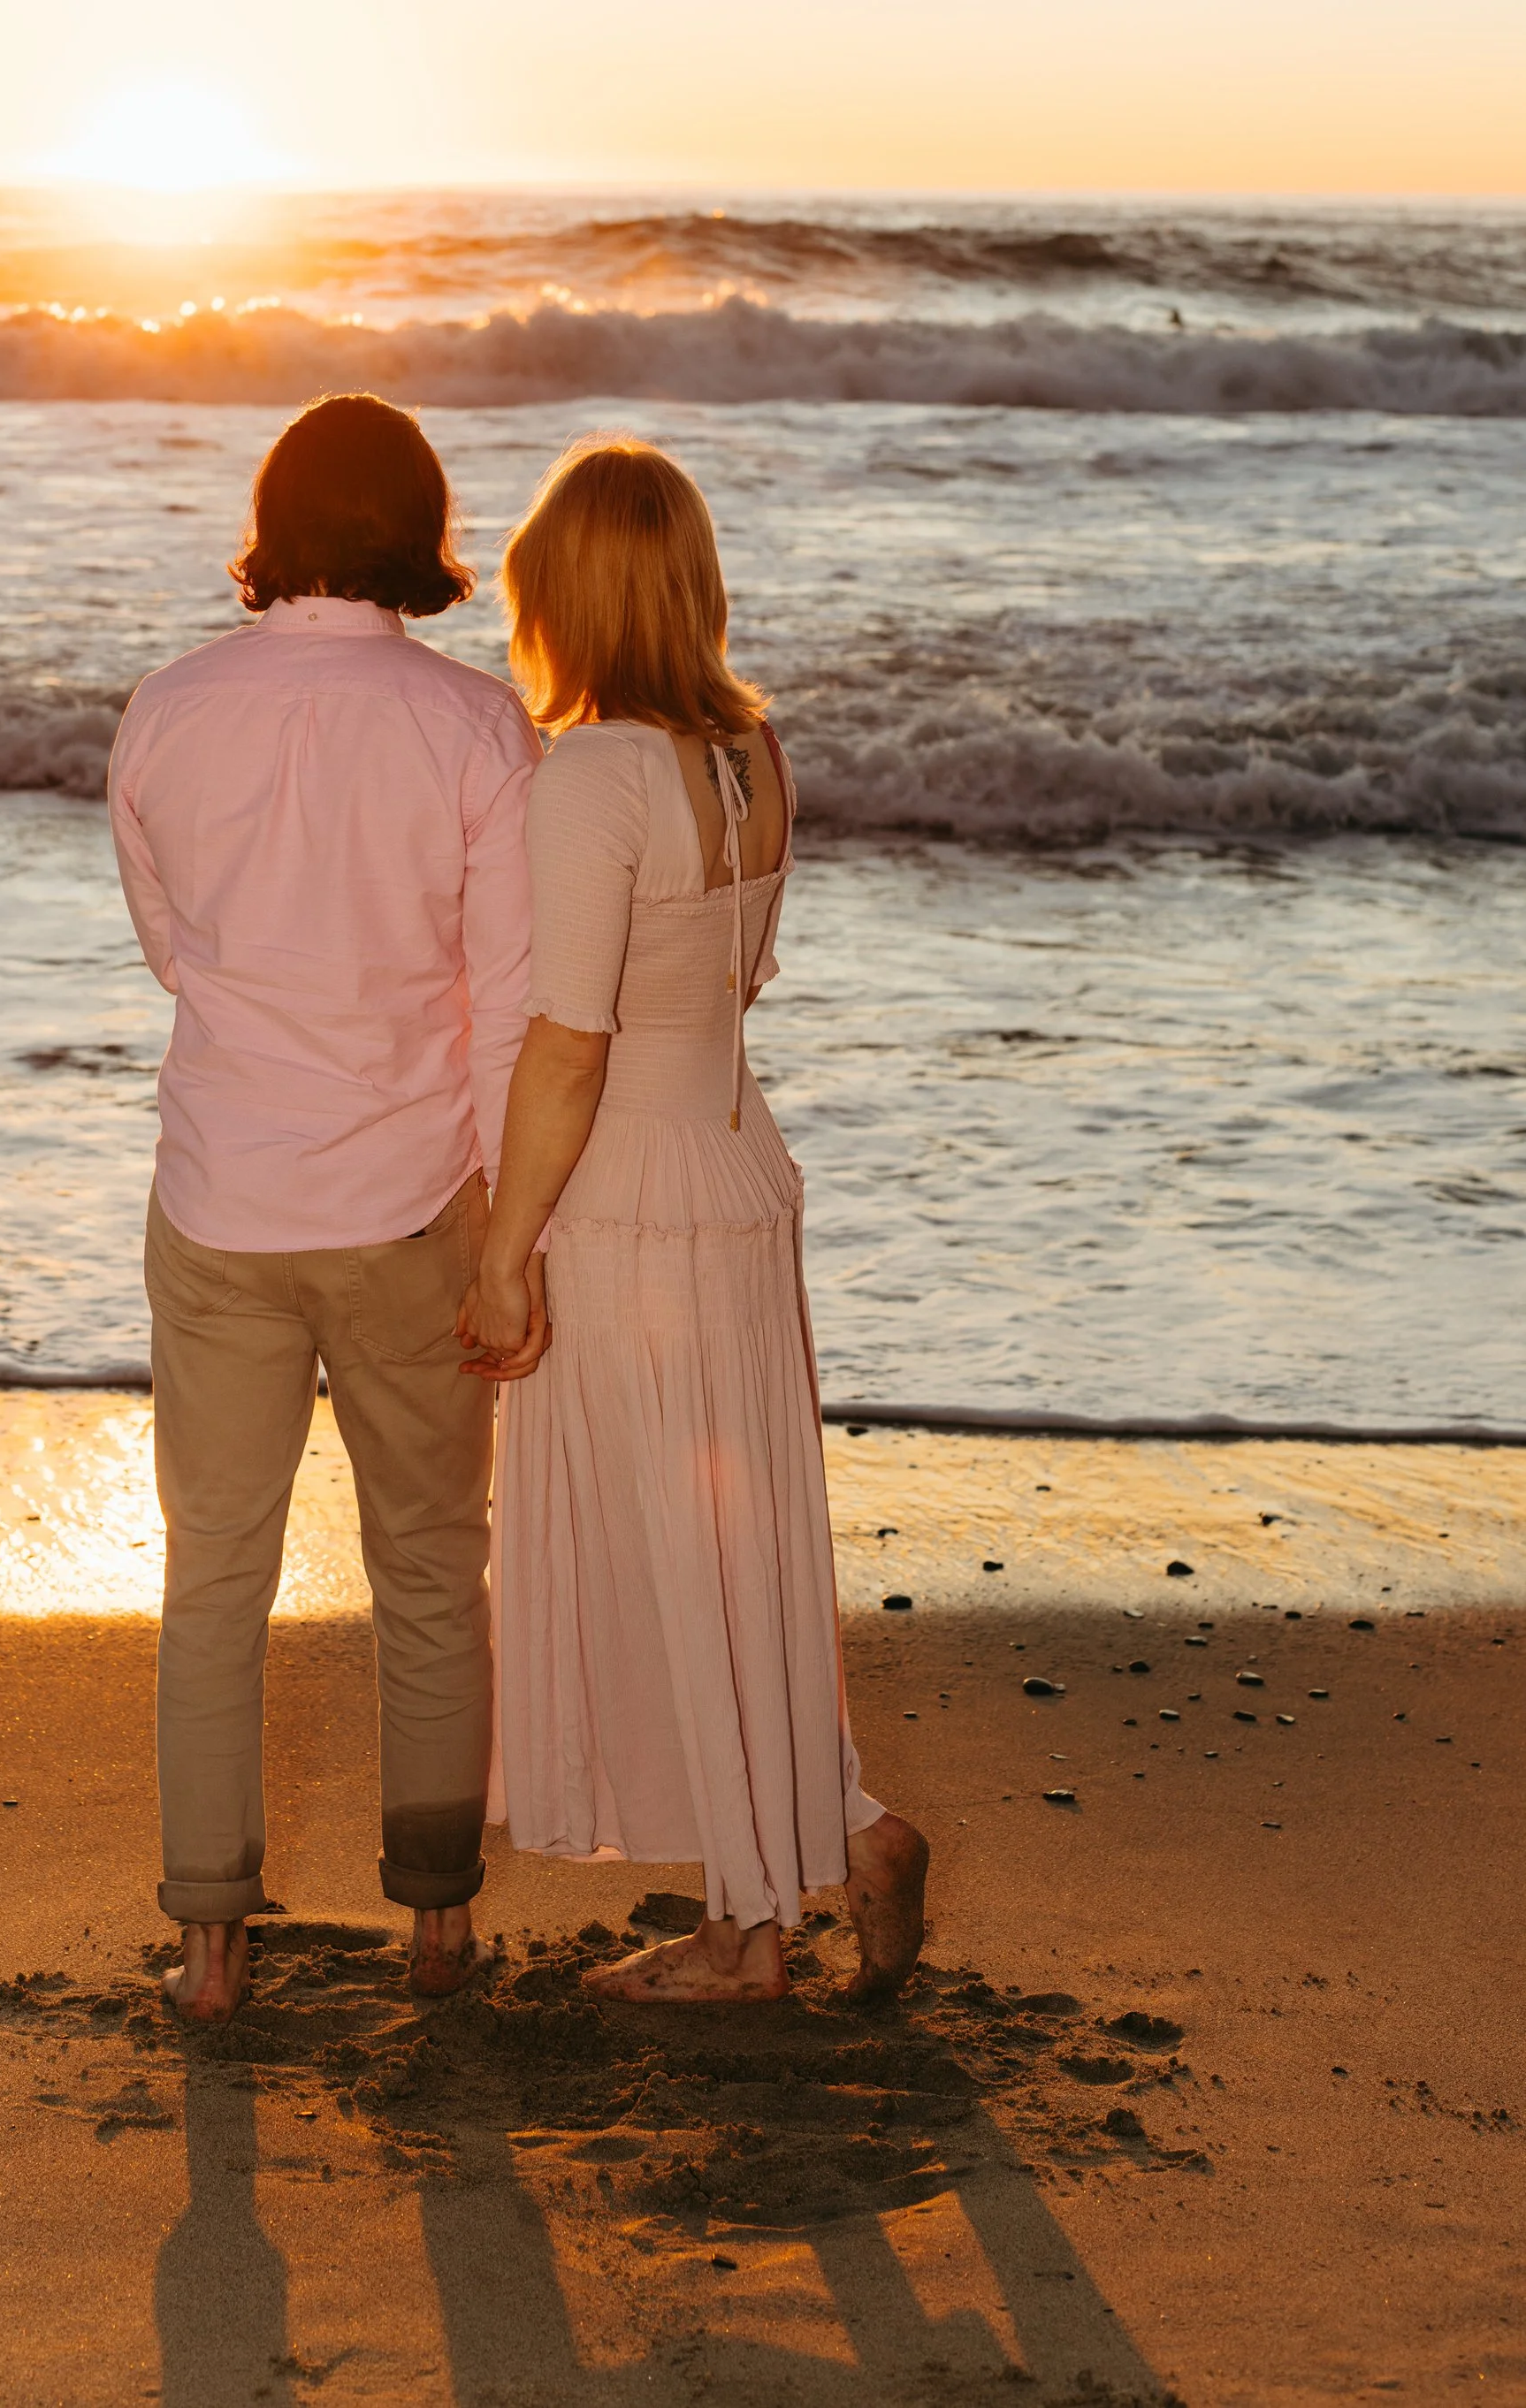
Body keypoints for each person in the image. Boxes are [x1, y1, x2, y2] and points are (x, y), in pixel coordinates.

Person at [461, 436, 928, 2004]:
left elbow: (569, 1040)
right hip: (739, 1171)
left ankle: (750, 1932)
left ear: (567, 596)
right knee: (742, 1553)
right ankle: (842, 1832)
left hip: (635, 1196)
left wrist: (504, 1246)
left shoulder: (592, 774)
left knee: (675, 1552)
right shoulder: (753, 755)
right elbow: (728, 983)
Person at [108, 393, 544, 2025]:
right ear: (419, 532)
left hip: (223, 1193)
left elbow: (173, 950)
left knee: (214, 1569)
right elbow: (507, 1009)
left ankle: (211, 1940)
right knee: (431, 1565)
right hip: (411, 1198)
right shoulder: (480, 730)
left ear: (275, 523)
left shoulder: (166, 709)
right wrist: (509, 1244)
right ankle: (436, 1924)